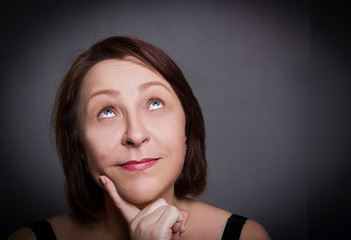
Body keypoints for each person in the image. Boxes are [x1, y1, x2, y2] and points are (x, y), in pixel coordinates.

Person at [8, 36, 271, 240]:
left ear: (187, 130)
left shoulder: (245, 236)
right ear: (79, 146)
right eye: (107, 112)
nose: (135, 135)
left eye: (155, 103)